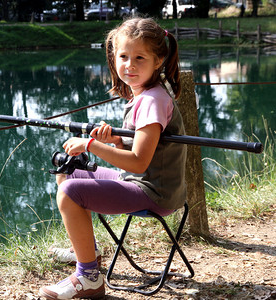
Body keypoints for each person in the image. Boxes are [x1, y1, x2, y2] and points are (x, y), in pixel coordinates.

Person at [39, 17, 186, 300]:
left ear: (158, 60)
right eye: (123, 56)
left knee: (70, 192)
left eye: (139, 58)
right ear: (113, 57)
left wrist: (92, 145)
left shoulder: (152, 101)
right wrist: (116, 140)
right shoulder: (145, 94)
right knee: (68, 171)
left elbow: (138, 162)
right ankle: (88, 251)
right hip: (143, 181)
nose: (129, 65)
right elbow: (142, 148)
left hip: (154, 191)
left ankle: (89, 278)